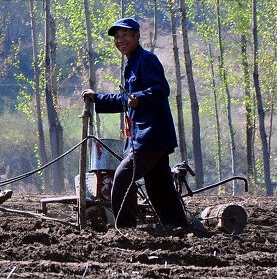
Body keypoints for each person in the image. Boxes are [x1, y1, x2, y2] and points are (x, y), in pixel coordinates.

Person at [82, 17, 198, 232]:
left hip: (152, 135)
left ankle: (126, 229)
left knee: (123, 176)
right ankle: (178, 226)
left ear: (137, 36)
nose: (120, 40)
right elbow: (125, 99)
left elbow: (160, 90)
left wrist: (140, 98)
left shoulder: (147, 60)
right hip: (143, 135)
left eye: (125, 35)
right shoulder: (131, 65)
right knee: (158, 185)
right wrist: (97, 98)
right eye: (117, 37)